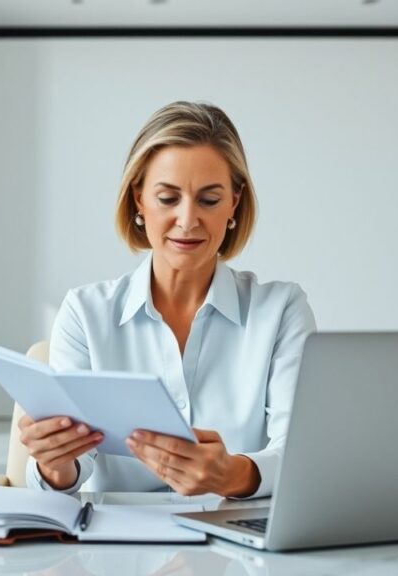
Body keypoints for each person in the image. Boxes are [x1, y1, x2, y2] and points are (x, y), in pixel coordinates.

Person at [19, 101, 316, 499]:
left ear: (234, 203)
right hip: (116, 552)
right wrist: (53, 463)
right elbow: (71, 472)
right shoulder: (85, 313)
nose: (188, 219)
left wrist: (232, 475)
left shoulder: (281, 311)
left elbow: (300, 456)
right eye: (167, 198)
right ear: (138, 198)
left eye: (209, 200)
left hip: (237, 547)